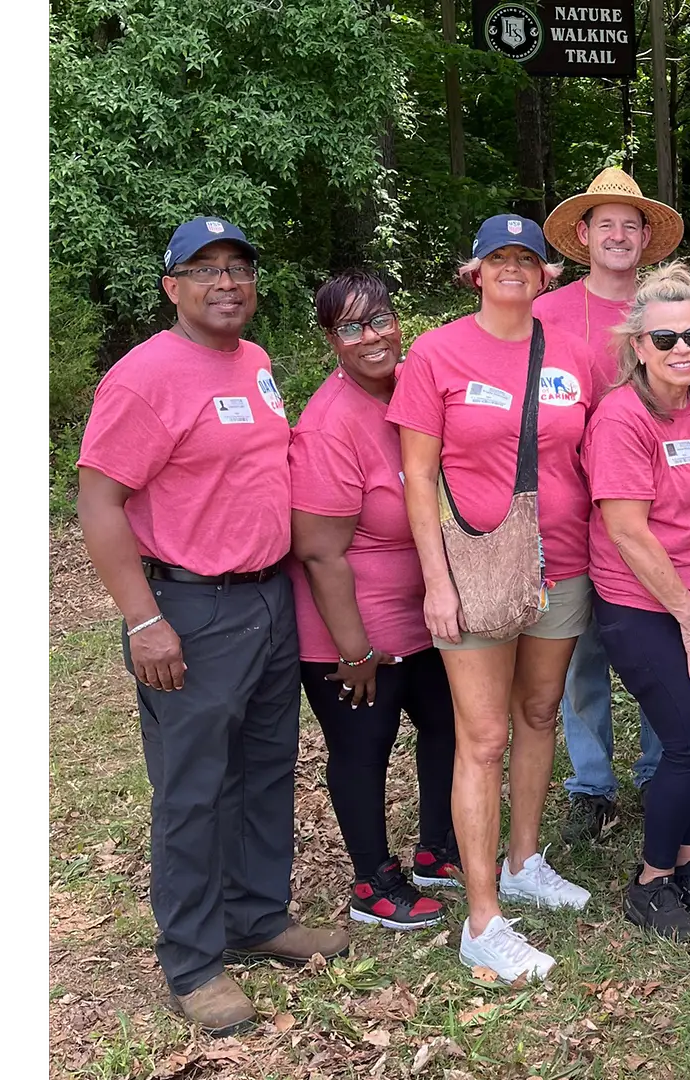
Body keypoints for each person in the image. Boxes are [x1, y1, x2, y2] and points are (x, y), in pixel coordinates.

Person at [75, 217, 348, 1037]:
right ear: (172, 288)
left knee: (265, 769)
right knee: (193, 791)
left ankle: (256, 916)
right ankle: (192, 962)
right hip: (191, 608)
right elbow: (100, 500)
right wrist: (144, 619)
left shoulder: (255, 361)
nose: (225, 282)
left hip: (268, 596)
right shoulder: (144, 377)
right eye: (204, 270)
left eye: (238, 268)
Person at [389, 215, 600, 983]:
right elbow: (417, 476)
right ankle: (483, 919)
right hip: (474, 566)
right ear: (473, 270)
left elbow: (595, 451)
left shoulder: (573, 356)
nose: (513, 268)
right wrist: (436, 580)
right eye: (498, 257)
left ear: (548, 274)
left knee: (540, 714)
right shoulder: (437, 352)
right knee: (481, 739)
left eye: (528, 258)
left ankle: (522, 861)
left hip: (563, 563)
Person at [584, 263, 690, 937]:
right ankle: (650, 881)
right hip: (647, 608)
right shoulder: (622, 418)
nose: (681, 348)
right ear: (637, 346)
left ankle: (688, 863)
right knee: (686, 742)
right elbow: (628, 530)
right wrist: (689, 615)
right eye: (664, 339)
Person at [288, 271, 456, 932]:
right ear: (332, 339)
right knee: (365, 746)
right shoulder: (331, 422)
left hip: (426, 612)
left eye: (379, 318)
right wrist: (352, 650)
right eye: (351, 328)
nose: (372, 337)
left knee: (447, 725)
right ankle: (372, 881)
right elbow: (320, 552)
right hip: (353, 626)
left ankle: (435, 850)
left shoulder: (414, 385)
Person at [537, 167, 684, 843]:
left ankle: (662, 770)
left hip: (659, 509)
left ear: (646, 236)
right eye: (606, 225)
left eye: (631, 224)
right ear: (584, 236)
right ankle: (591, 784)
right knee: (581, 654)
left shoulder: (673, 308)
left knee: (657, 645)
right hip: (571, 509)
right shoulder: (546, 313)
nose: (619, 235)